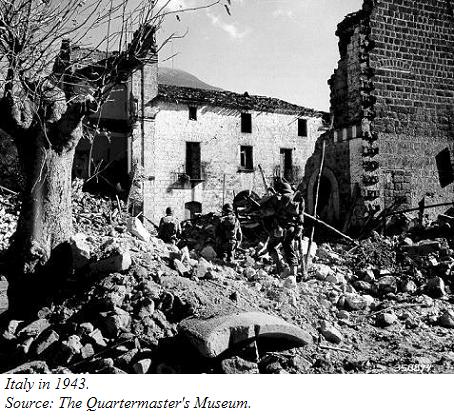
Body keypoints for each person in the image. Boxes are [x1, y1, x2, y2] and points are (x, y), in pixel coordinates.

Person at [262, 179, 305, 277]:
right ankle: (293, 272)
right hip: (292, 228)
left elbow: (267, 213)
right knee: (288, 247)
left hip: (279, 228)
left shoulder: (277, 198)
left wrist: (270, 229)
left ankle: (279, 267)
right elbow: (301, 216)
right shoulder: (298, 199)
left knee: (271, 246)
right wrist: (300, 228)